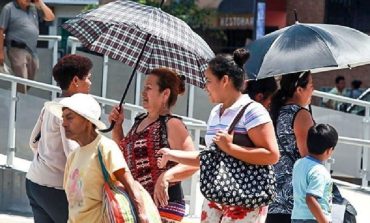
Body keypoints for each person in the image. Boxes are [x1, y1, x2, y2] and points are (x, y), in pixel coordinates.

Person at [158, 48, 280, 223]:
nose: (205, 87)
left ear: (225, 80)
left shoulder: (253, 111)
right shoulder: (216, 112)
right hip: (216, 195)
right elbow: (212, 157)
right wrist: (172, 154)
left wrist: (231, 147)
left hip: (246, 198)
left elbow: (272, 155)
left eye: (208, 81)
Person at [108, 67, 198, 223]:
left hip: (163, 205)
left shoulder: (172, 124)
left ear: (165, 94)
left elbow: (194, 162)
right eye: (144, 88)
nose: (143, 92)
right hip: (140, 202)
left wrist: (166, 176)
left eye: (149, 88)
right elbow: (123, 154)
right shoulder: (139, 121)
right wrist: (117, 126)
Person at [44, 93, 148, 223]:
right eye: (63, 118)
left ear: (87, 121)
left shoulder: (105, 148)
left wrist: (142, 215)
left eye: (69, 118)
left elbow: (130, 185)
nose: (64, 124)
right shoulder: (73, 156)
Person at [27, 54, 93, 223]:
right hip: (56, 189)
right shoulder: (71, 111)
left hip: (35, 182)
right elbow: (73, 153)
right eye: (88, 78)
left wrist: (48, 158)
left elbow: (33, 142)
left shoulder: (50, 106)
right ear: (76, 81)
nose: (90, 83)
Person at [266, 71, 315, 223]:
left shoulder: (272, 111)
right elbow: (308, 158)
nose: (313, 90)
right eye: (311, 85)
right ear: (299, 90)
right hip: (294, 199)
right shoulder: (301, 115)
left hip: (272, 196)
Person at [0, 0, 55, 93]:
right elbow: (1, 31)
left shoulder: (33, 8)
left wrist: (40, 2)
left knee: (31, 79)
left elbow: (50, 17)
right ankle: (19, 103)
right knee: (21, 78)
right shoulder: (9, 8)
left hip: (32, 50)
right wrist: (0, 52)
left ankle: (17, 96)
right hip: (17, 48)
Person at [292, 124, 338, 223]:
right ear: (329, 150)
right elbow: (311, 199)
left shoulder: (299, 163)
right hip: (314, 219)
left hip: (297, 217)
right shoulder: (320, 171)